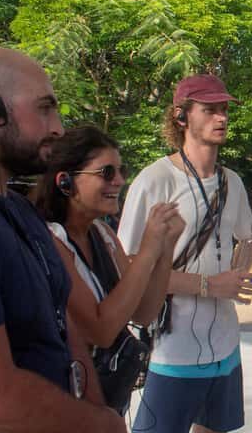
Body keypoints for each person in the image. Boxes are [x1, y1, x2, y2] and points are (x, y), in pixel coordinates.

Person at [0, 47, 128, 433]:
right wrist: (101, 425)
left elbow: (65, 331)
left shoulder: (19, 210)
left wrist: (98, 431)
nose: (58, 128)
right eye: (45, 109)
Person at [117, 74, 252, 433]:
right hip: (171, 348)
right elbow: (127, 265)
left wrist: (243, 274)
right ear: (181, 116)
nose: (221, 117)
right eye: (209, 109)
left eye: (224, 109)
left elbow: (248, 239)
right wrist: (209, 285)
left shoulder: (232, 182)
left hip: (225, 346)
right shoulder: (155, 179)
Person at [34, 126, 185, 412]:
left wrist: (166, 248)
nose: (119, 181)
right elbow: (101, 330)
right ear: (65, 181)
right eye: (106, 172)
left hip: (104, 398)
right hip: (66, 401)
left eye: (121, 171)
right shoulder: (49, 241)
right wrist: (148, 248)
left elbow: (143, 313)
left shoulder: (103, 235)